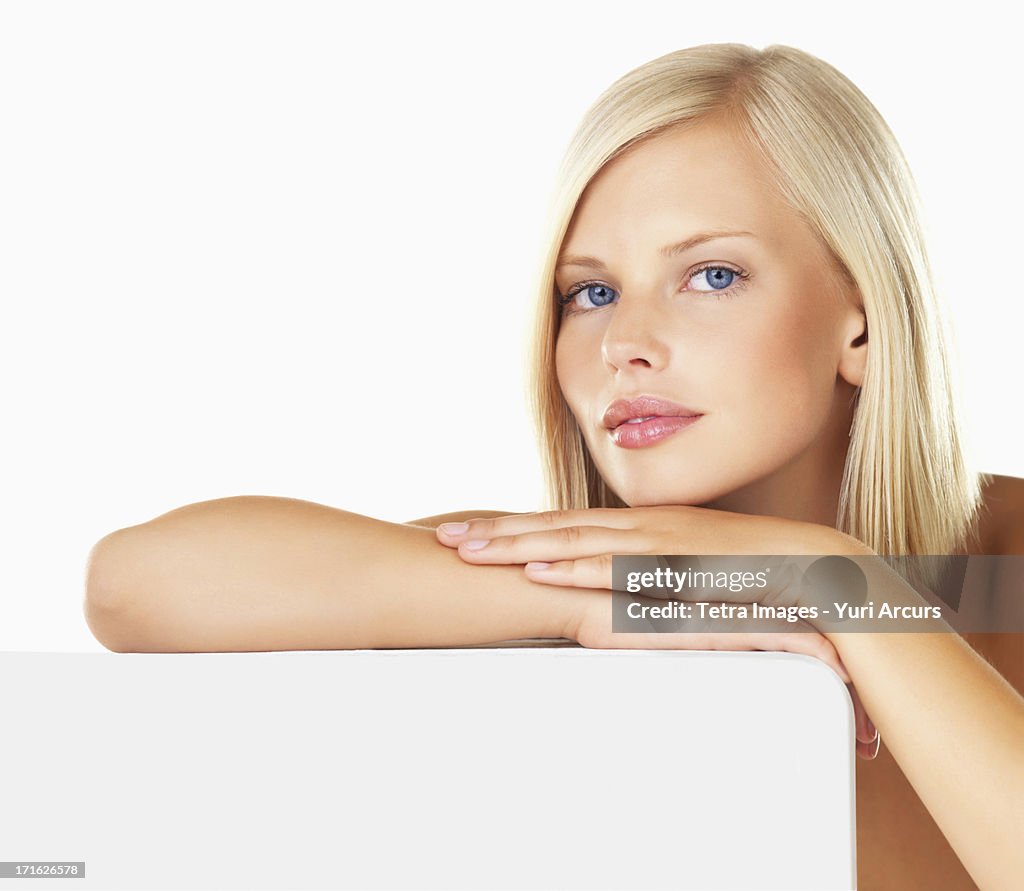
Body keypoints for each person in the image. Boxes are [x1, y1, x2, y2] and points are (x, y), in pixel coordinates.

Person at [83, 43, 1023, 889]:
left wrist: (844, 587)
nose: (626, 341)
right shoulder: (588, 567)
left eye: (713, 274)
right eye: (592, 291)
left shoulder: (1006, 571)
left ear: (860, 318)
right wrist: (596, 598)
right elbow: (133, 584)